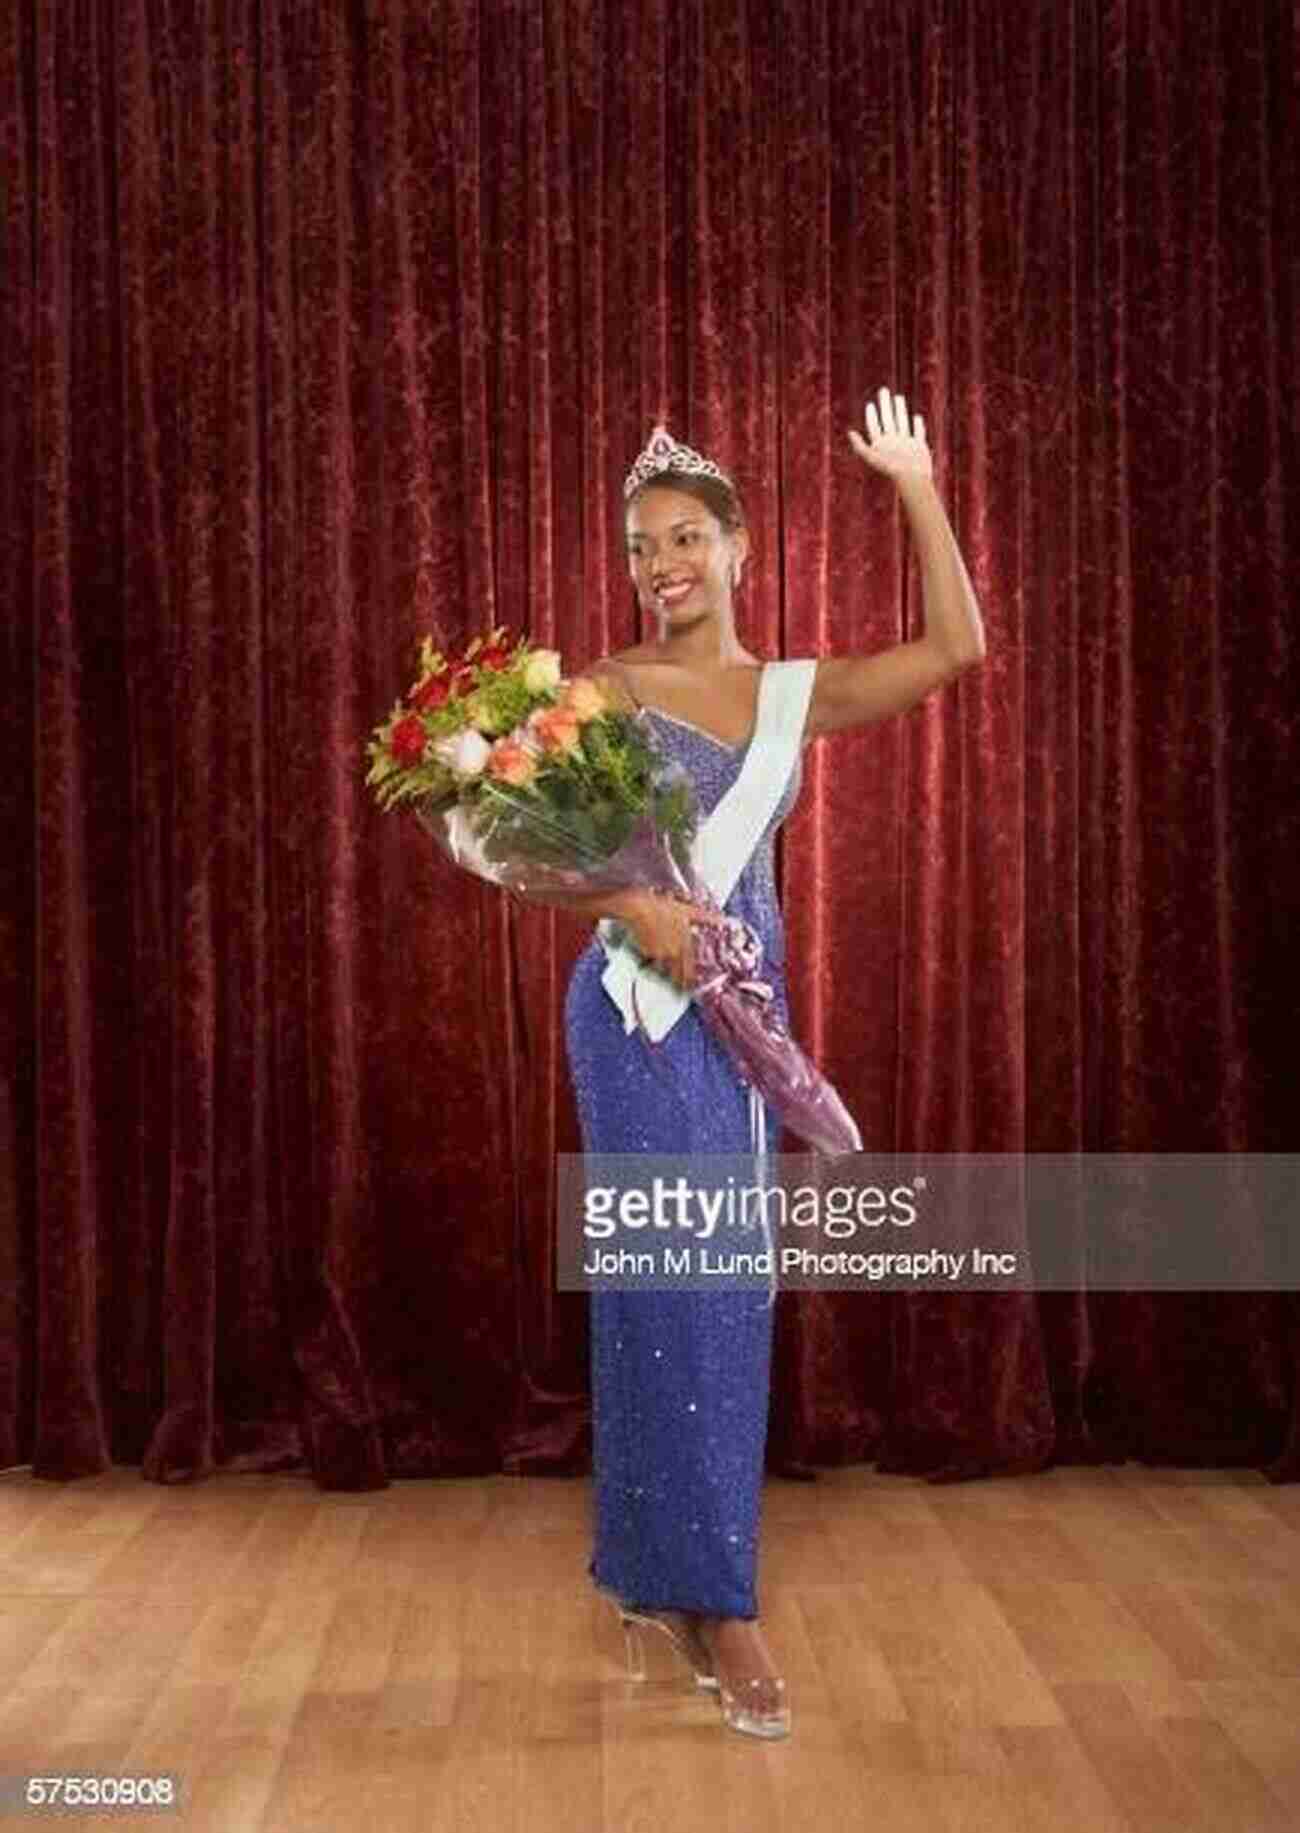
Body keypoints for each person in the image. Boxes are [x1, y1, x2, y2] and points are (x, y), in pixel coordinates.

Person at [554, 389, 986, 1739]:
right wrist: (632, 910)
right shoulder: (604, 683)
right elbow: (540, 847)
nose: (662, 565)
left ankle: (687, 1575)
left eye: (685, 537)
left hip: (748, 1016)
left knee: (729, 1289)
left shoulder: (793, 691)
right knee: (662, 1285)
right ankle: (702, 1595)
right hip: (636, 1013)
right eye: (640, 546)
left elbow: (956, 648)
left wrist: (914, 481)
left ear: (739, 546)